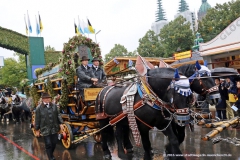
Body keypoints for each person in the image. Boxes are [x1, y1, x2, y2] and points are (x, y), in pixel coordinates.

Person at [35, 92, 64, 160]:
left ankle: (50, 153)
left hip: (54, 127)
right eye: (46, 98)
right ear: (43, 99)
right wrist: (37, 129)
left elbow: (58, 115)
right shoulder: (38, 108)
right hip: (45, 128)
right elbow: (37, 119)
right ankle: (50, 157)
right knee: (48, 144)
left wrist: (61, 123)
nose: (48, 99)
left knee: (54, 143)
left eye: (49, 98)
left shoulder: (54, 106)